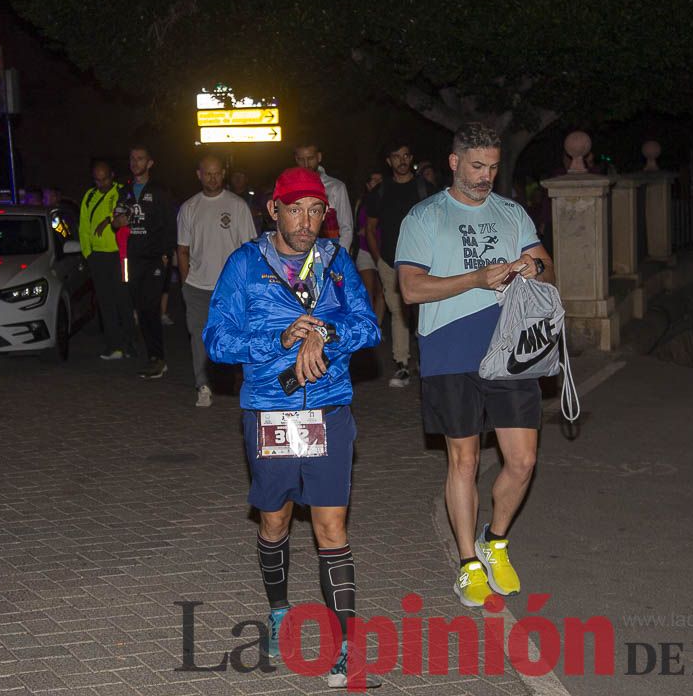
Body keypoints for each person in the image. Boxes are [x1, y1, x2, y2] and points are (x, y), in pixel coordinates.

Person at [205, 167, 380, 689]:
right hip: (271, 413)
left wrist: (325, 332)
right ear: (273, 211)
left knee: (331, 529)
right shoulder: (244, 265)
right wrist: (279, 341)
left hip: (329, 410)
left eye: (315, 212)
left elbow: (369, 326)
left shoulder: (335, 262)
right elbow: (217, 342)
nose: (306, 222)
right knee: (275, 523)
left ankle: (346, 646)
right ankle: (280, 609)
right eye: (295, 210)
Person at [394, 123, 554, 608]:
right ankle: (468, 563)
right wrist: (476, 279)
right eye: (477, 166)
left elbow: (545, 262)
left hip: (510, 349)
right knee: (463, 461)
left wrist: (533, 267)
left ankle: (495, 541)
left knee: (522, 461)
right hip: (448, 349)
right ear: (455, 162)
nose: (486, 176)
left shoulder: (511, 212)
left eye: (492, 167)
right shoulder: (424, 216)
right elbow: (411, 289)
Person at [176, 153, 257, 407]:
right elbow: (182, 250)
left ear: (223, 174)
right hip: (198, 286)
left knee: (236, 335)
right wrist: (186, 283)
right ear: (198, 175)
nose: (212, 178)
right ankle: (203, 385)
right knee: (199, 336)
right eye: (207, 173)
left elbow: (249, 249)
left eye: (216, 173)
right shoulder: (189, 208)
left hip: (230, 288)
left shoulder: (237, 206)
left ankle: (240, 380)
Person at [365, 141, 429, 388]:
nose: (402, 160)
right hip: (390, 261)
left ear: (410, 158)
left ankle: (426, 360)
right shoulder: (380, 191)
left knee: (423, 312)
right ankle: (402, 364)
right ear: (389, 161)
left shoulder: (425, 188)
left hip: (423, 263)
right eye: (397, 156)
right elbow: (370, 228)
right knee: (397, 313)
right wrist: (378, 258)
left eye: (406, 155)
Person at [117, 145, 176, 379]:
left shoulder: (160, 191)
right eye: (132, 159)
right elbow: (117, 221)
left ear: (149, 163)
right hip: (134, 257)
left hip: (154, 257)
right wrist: (121, 219)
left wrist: (166, 254)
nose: (135, 163)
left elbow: (169, 224)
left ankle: (157, 358)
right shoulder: (126, 190)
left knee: (151, 307)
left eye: (140, 159)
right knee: (141, 308)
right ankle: (152, 355)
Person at [79, 161, 136, 360]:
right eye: (97, 180)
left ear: (112, 175)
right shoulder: (89, 196)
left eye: (104, 179)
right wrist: (88, 254)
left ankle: (129, 344)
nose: (101, 183)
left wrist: (108, 220)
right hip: (98, 257)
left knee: (124, 299)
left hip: (120, 256)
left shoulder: (123, 192)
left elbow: (127, 215)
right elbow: (84, 227)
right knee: (105, 302)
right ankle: (114, 346)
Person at [293, 143, 353, 254]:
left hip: (330, 251)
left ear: (319, 157)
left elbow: (346, 228)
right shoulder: (291, 188)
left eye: (310, 158)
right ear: (296, 159)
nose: (306, 164)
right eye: (301, 159)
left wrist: (339, 257)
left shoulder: (335, 187)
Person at [353, 171, 385, 327]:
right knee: (368, 291)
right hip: (365, 251)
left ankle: (377, 327)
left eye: (380, 180)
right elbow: (357, 226)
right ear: (368, 184)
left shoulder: (388, 200)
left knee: (382, 292)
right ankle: (369, 327)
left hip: (384, 252)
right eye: (374, 180)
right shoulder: (362, 202)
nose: (378, 183)